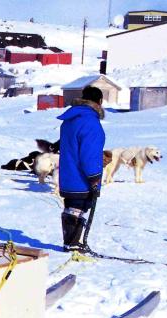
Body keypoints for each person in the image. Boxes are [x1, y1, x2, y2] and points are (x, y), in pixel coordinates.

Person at [57, 86, 106, 252]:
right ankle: (73, 245)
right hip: (82, 179)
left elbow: (74, 147)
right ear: (99, 102)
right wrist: (95, 176)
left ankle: (70, 243)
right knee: (77, 210)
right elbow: (89, 154)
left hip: (68, 175)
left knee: (71, 208)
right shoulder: (91, 122)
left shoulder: (70, 119)